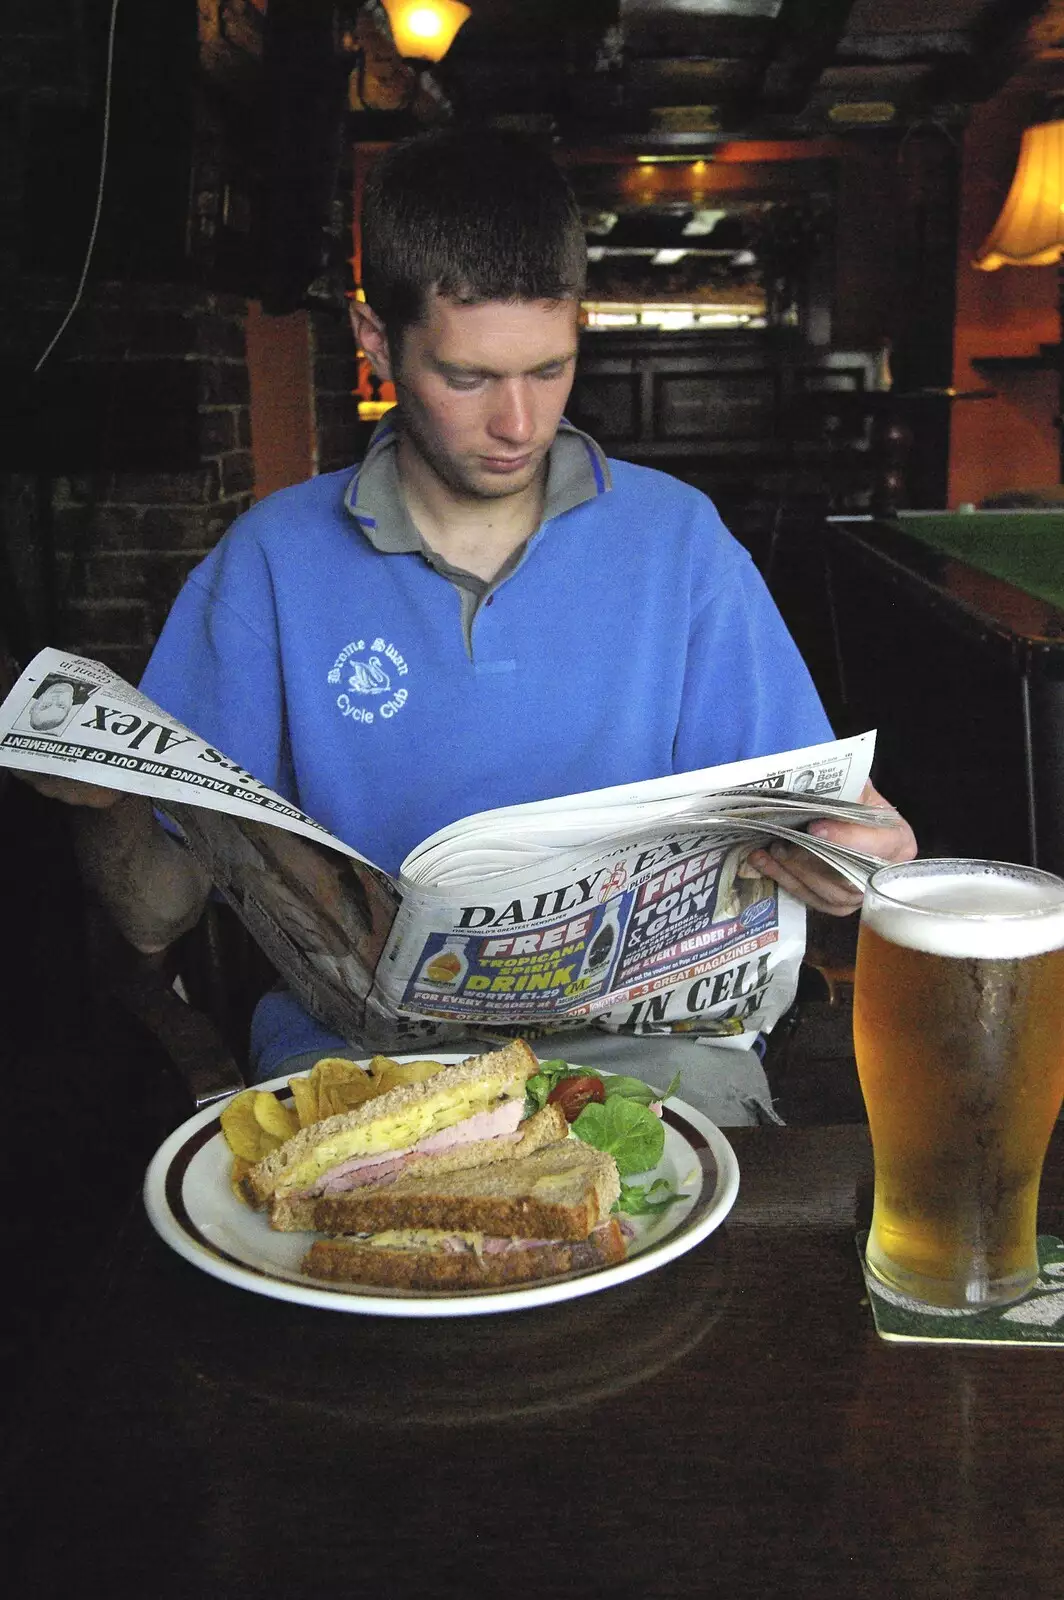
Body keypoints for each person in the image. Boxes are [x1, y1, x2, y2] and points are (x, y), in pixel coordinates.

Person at [25, 128, 916, 1123]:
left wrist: (856, 855)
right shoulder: (270, 562)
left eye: (549, 368)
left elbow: (837, 825)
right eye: (467, 378)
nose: (519, 425)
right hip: (363, 1073)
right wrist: (100, 806)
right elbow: (154, 916)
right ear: (374, 340)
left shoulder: (679, 541)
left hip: (647, 1068)